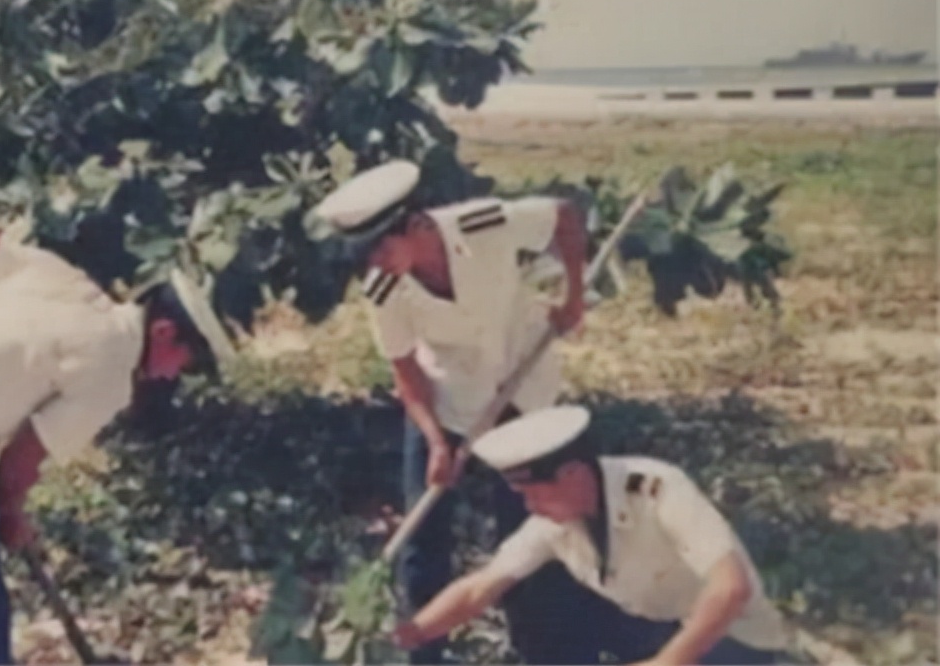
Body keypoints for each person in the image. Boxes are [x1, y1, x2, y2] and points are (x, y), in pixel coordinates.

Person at [0, 223, 237, 664]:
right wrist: (12, 513)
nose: (173, 377)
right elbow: (20, 461)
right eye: (185, 364)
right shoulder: (111, 373)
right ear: (165, 332)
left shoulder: (67, 281)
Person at [313, 160, 600, 664]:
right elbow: (405, 371)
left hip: (523, 389)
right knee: (423, 540)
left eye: (383, 247)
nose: (376, 263)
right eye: (366, 255)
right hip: (447, 402)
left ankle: (541, 649)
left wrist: (571, 295)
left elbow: (565, 216)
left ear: (417, 224)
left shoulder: (483, 225)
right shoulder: (383, 290)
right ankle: (424, 653)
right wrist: (436, 440)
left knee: (530, 525)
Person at [392, 406, 790, 665]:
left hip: (731, 641)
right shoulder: (555, 520)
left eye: (533, 492)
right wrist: (415, 632)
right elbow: (480, 588)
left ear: (572, 475)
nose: (529, 506)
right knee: (535, 589)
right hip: (650, 627)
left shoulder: (657, 489)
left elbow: (731, 589)